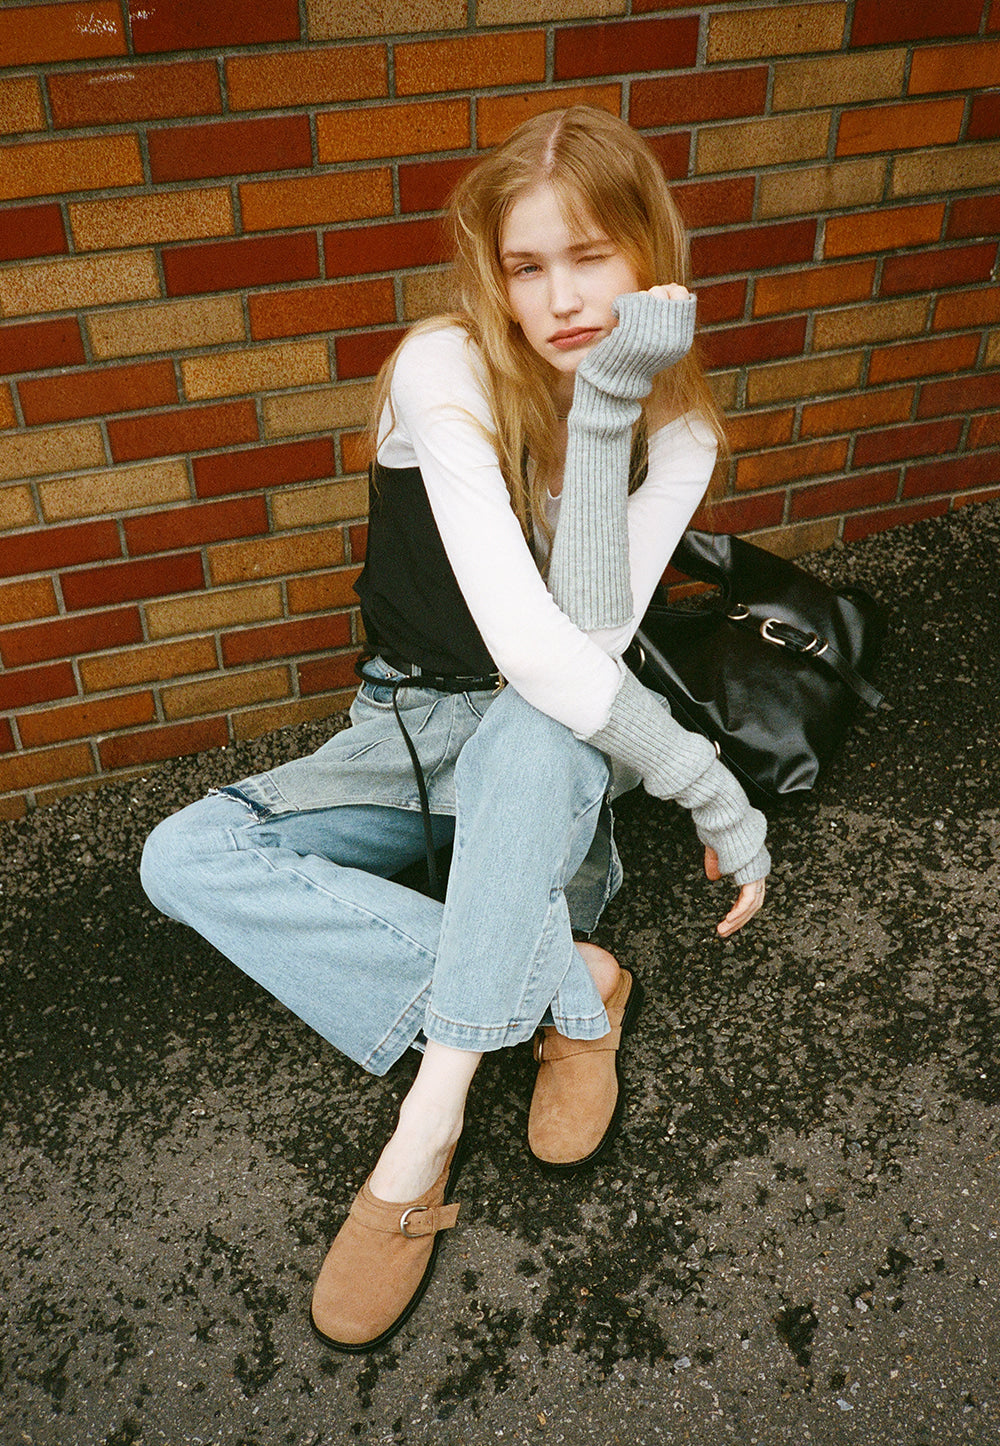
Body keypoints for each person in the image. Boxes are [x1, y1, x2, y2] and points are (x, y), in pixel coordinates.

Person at [139, 106, 769, 1356]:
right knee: (182, 858)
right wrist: (710, 789)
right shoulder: (442, 368)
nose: (563, 297)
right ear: (492, 273)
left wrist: (604, 420)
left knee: (536, 735)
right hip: (404, 725)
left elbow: (571, 656)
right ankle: (568, 993)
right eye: (527, 265)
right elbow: (519, 642)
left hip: (553, 750)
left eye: (591, 255)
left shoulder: (678, 429)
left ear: (647, 249)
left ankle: (420, 1139)